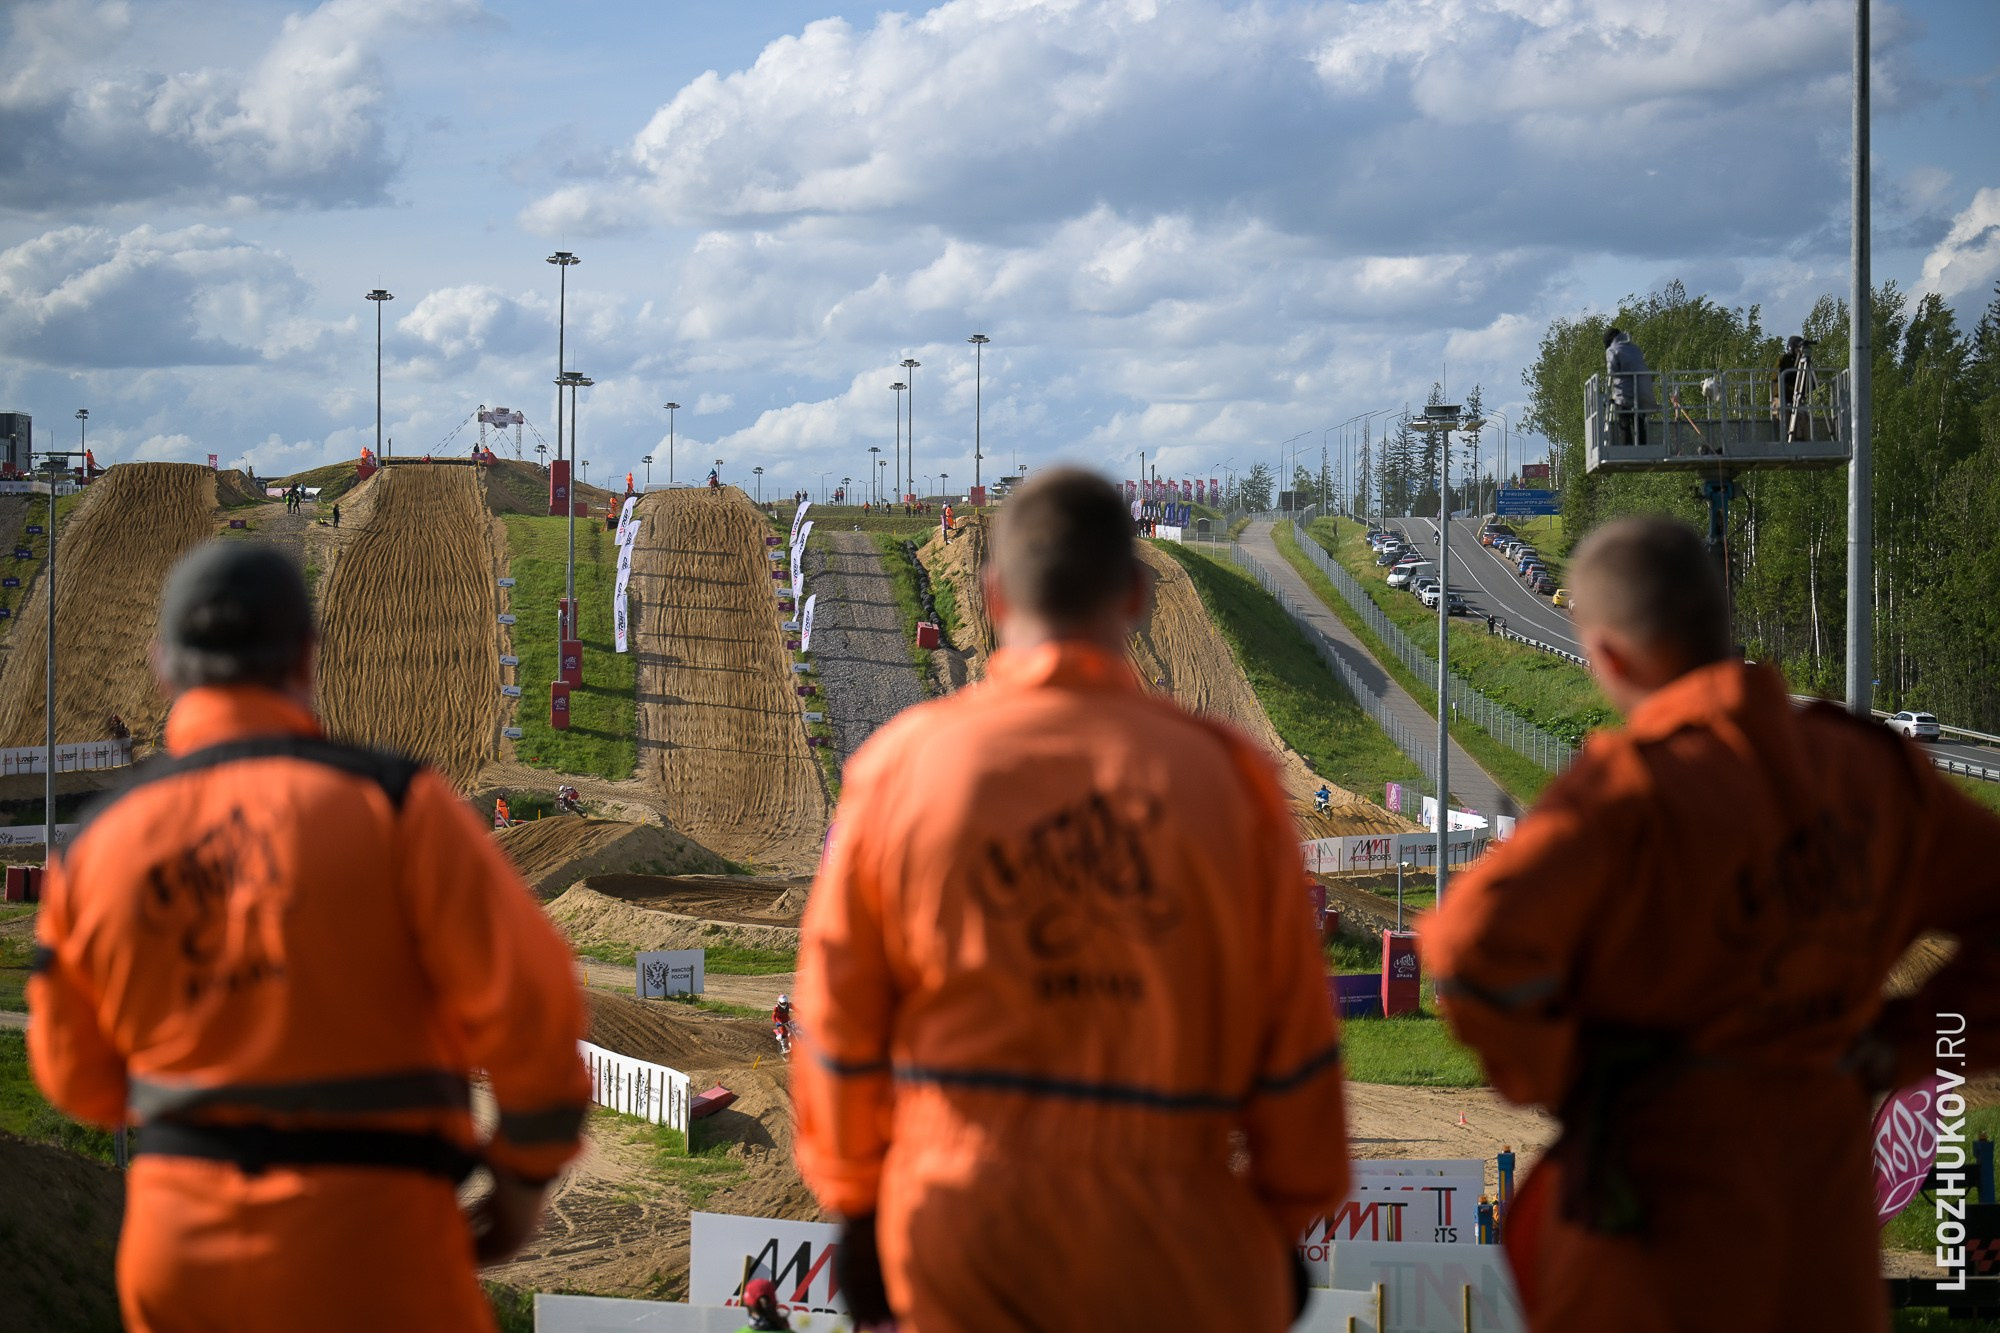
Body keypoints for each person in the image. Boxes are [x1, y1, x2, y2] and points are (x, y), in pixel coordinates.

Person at [794, 467, 1348, 1332]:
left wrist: (859, 1205)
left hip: (958, 1222)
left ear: (992, 597)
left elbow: (836, 1018)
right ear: (1135, 593)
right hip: (1165, 1233)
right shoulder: (1228, 780)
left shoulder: (900, 771)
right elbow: (1296, 1034)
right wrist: (1287, 1208)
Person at [1420, 517, 2000, 1333]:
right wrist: (1903, 1043)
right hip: (1822, 1237)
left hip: (1659, 1226)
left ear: (1609, 656)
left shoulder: (1631, 795)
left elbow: (1466, 946)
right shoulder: (1868, 769)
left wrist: (1561, 1072)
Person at [29, 542, 589, 1333]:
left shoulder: (95, 845)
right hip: (377, 1234)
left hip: (181, 1250)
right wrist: (523, 1180)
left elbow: (70, 1077)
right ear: (307, 655)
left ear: (163, 667)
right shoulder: (397, 805)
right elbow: (534, 1013)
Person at [1603, 327, 1656, 446]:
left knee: (1624, 423)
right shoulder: (1635, 348)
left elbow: (1612, 371)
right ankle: (1643, 447)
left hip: (1623, 394)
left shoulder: (1612, 350)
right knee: (1640, 422)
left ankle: (1627, 446)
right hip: (1641, 391)